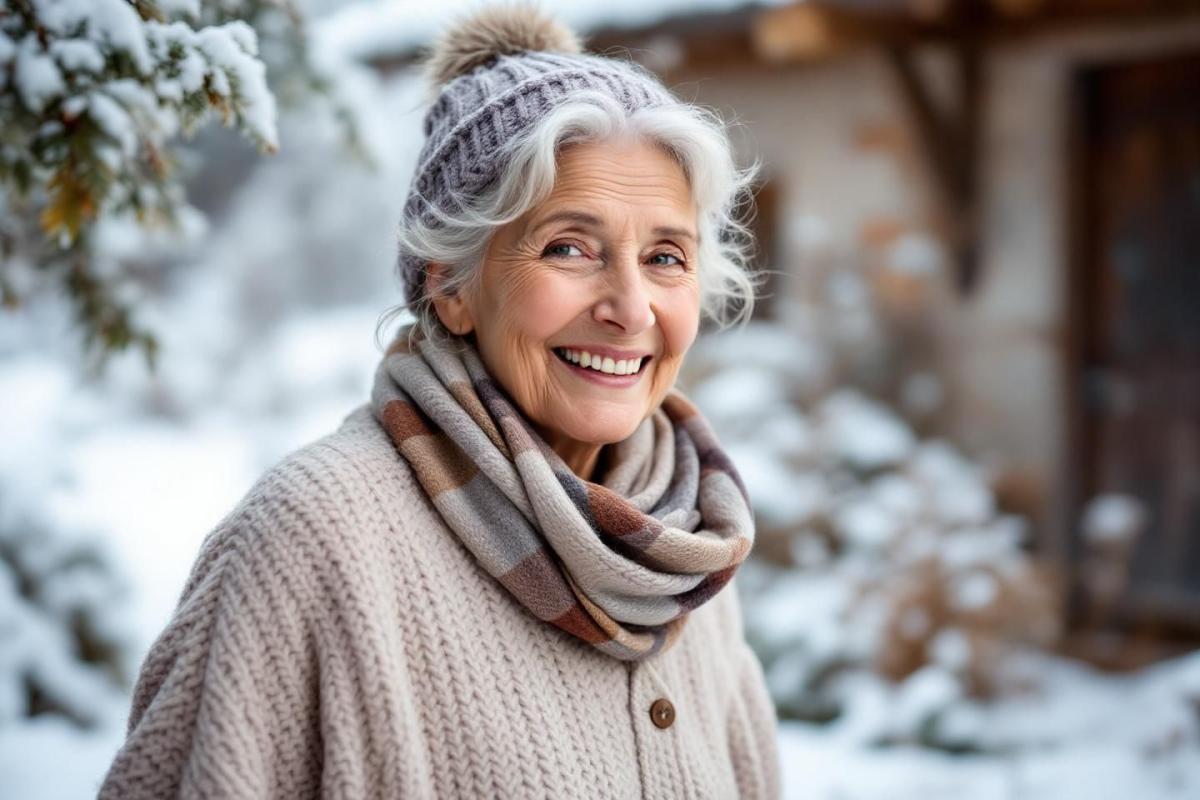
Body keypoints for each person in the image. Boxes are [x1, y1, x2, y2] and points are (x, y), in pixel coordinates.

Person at [98, 4, 781, 798]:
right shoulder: (315, 539)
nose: (631, 308)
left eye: (666, 256)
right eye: (569, 247)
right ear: (449, 286)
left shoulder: (683, 549)